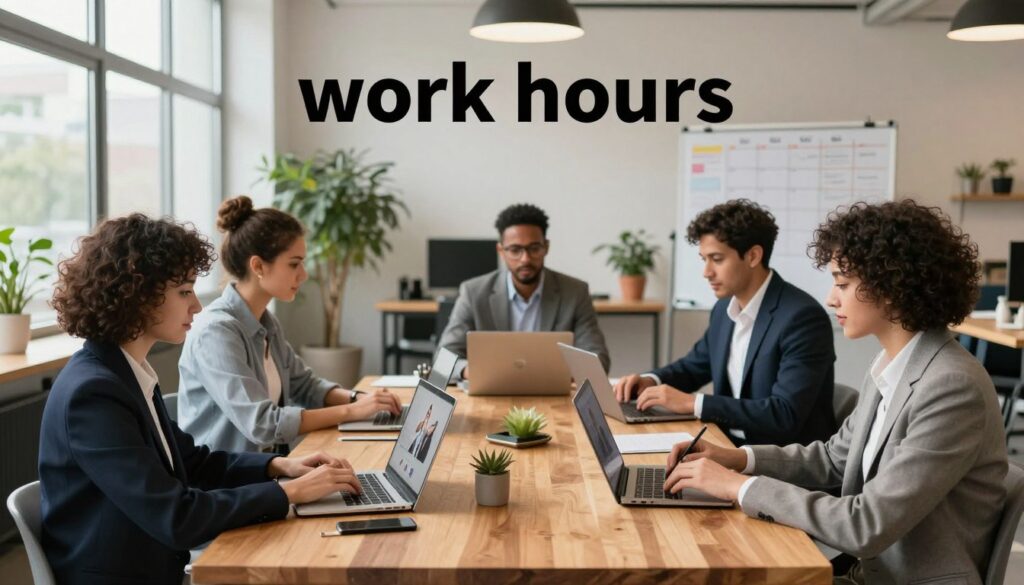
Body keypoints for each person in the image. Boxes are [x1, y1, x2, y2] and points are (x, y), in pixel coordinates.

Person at [661, 200, 1007, 585]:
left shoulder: (950, 387)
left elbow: (865, 524)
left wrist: (738, 487)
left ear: (890, 287)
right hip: (867, 572)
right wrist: (736, 459)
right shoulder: (892, 366)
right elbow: (833, 459)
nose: (831, 298)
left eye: (842, 283)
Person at [40, 214, 363, 585]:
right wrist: (287, 493)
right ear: (137, 294)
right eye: (184, 291)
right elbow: (176, 517)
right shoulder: (93, 394)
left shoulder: (125, 372)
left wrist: (279, 467)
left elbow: (193, 463)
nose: (196, 305)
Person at [178, 196, 401, 453]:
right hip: (226, 485)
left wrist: (361, 399)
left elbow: (304, 385)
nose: (303, 275)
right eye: (294, 264)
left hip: (268, 470)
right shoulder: (215, 332)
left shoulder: (265, 321)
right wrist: (352, 411)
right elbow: (262, 424)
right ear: (258, 266)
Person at [614, 199, 836, 445]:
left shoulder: (801, 318)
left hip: (781, 462)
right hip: (728, 446)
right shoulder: (723, 309)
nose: (706, 272)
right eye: (704, 259)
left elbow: (784, 414)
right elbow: (694, 366)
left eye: (717, 259)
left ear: (753, 256)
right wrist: (650, 380)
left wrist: (693, 403)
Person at [438, 203, 610, 378]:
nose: (525, 259)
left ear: (546, 247)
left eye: (534, 248)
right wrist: (473, 371)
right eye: (515, 250)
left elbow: (598, 360)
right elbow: (443, 359)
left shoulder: (575, 292)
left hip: (552, 395)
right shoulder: (474, 292)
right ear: (501, 251)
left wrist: (561, 373)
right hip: (491, 394)